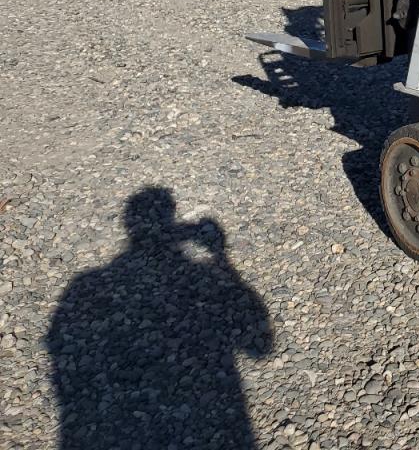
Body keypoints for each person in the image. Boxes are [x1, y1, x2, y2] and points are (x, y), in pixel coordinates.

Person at [46, 187, 272, 449]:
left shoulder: (84, 285)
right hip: (213, 417)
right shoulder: (202, 276)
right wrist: (221, 259)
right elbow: (260, 346)